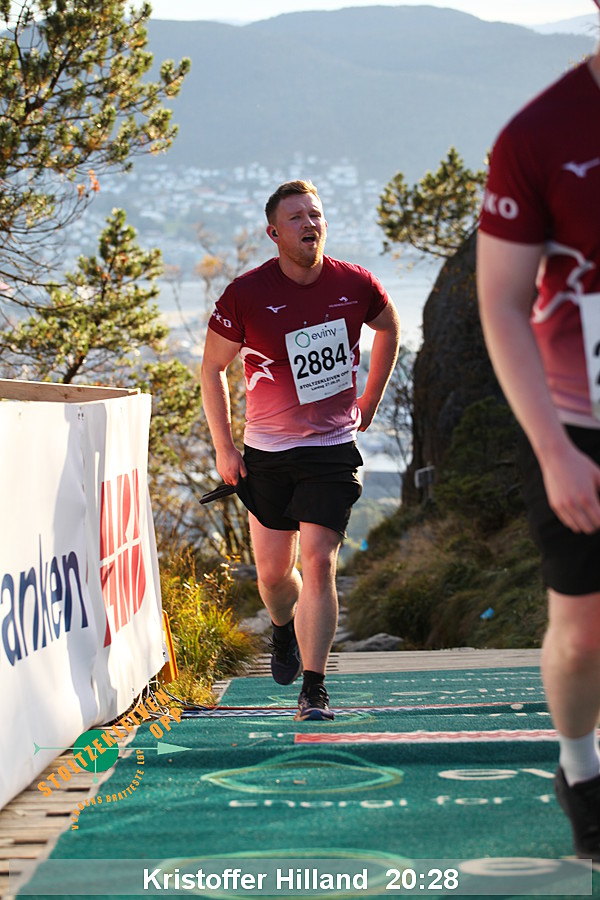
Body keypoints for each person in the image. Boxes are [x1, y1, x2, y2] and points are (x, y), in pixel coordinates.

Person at [200, 179, 400, 721]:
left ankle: (314, 688)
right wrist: (224, 448)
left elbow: (388, 328)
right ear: (274, 233)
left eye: (315, 214)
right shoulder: (245, 293)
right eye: (296, 217)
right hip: (267, 451)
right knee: (272, 576)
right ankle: (282, 627)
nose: (310, 223)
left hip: (331, 448)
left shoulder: (354, 283)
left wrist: (371, 398)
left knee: (318, 560)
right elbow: (212, 368)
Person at [477, 4, 600, 860]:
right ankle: (581, 766)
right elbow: (500, 303)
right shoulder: (538, 133)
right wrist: (554, 449)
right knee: (584, 635)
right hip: (574, 421)